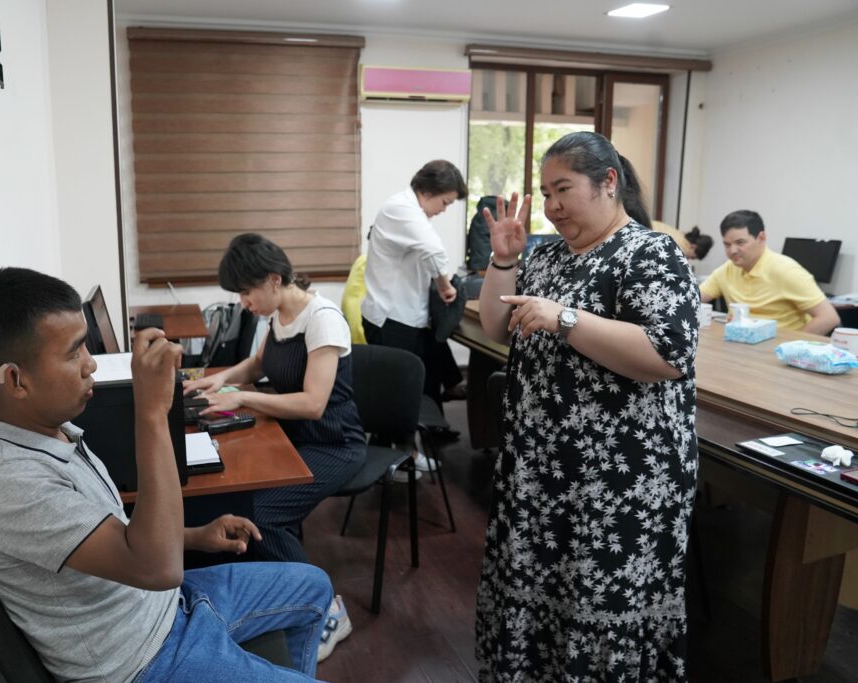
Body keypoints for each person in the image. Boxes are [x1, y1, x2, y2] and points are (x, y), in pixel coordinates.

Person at [0, 267, 333, 683]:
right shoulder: (9, 485)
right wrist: (152, 412)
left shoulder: (56, 434)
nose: (91, 365)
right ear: (15, 379)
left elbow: (112, 536)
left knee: (313, 586)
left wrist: (191, 535)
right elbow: (159, 569)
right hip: (145, 660)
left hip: (165, 605)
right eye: (73, 353)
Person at [475, 131, 699, 681]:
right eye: (545, 193)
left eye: (563, 190)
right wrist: (504, 259)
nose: (551, 207)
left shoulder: (650, 252)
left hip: (618, 480)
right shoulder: (547, 255)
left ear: (608, 183)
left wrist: (565, 318)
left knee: (599, 604)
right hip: (542, 469)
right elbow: (497, 325)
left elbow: (669, 355)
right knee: (539, 597)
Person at [183, 233, 363, 660]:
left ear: (273, 279)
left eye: (246, 292)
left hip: (335, 442)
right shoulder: (279, 316)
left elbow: (314, 404)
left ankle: (328, 610)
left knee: (262, 513)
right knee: (241, 494)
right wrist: (221, 378)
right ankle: (274, 588)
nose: (244, 302)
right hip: (294, 434)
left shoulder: (322, 318)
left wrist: (243, 396)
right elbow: (259, 364)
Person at [361, 159, 469, 407]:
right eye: (445, 203)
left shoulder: (410, 211)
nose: (444, 210)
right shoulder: (400, 209)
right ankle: (394, 444)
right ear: (428, 191)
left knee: (424, 382)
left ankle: (430, 435)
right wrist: (444, 286)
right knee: (399, 395)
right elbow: (434, 251)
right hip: (391, 318)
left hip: (406, 316)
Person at [699, 209, 840, 334]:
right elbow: (690, 299)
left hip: (777, 353)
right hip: (741, 347)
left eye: (740, 242)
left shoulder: (786, 271)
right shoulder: (727, 269)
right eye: (727, 244)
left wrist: (791, 347)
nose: (732, 251)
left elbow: (828, 318)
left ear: (761, 238)